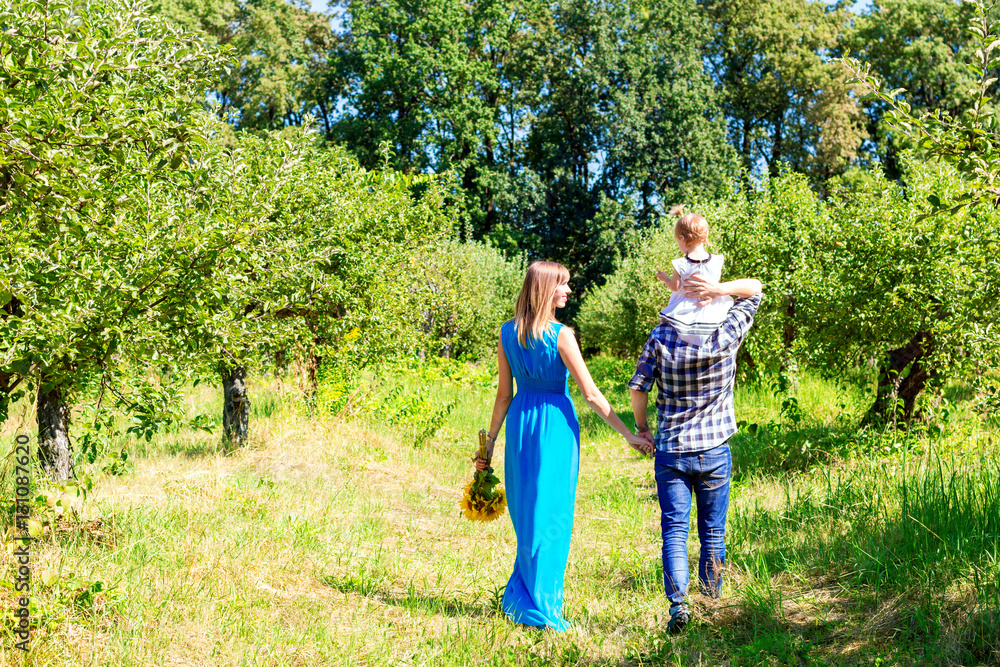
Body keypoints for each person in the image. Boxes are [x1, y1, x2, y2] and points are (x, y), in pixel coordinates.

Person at [474, 260, 654, 631]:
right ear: (545, 290)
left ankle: (523, 596)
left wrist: (489, 444)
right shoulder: (561, 335)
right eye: (563, 285)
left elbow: (504, 396)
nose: (568, 291)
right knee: (551, 515)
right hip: (555, 425)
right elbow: (590, 393)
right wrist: (630, 434)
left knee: (528, 515)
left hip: (523, 425)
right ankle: (542, 605)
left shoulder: (508, 333)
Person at [629, 270, 763, 635]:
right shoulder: (727, 332)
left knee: (674, 529)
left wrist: (642, 429)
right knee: (712, 532)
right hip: (714, 449)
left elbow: (638, 388)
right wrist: (717, 289)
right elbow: (754, 290)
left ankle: (679, 606)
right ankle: (711, 603)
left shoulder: (661, 335)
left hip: (671, 448)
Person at [655, 204, 735, 346]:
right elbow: (715, 283)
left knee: (680, 335)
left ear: (682, 238)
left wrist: (666, 278)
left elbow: (675, 287)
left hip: (686, 313)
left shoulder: (681, 264)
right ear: (705, 237)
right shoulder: (717, 260)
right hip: (713, 310)